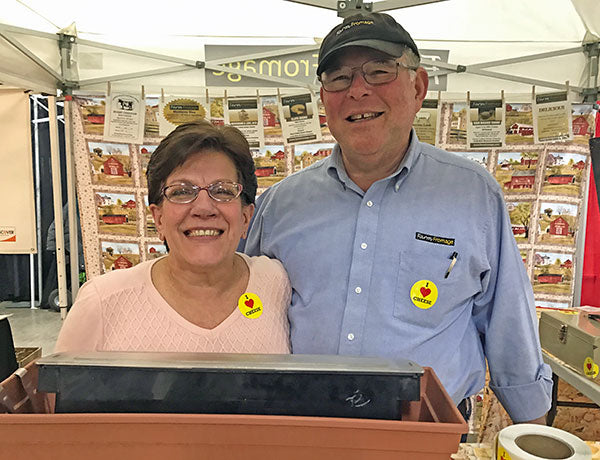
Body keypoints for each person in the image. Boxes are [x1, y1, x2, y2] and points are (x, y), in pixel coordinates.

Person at [241, 12, 552, 423]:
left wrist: (532, 423)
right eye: (339, 78)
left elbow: (506, 316)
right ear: (323, 100)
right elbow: (240, 302)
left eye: (379, 71)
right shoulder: (281, 204)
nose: (358, 91)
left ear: (418, 86)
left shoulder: (471, 193)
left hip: (426, 433)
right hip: (302, 428)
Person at [55, 121, 290, 353]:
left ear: (246, 217)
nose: (204, 208)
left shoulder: (278, 284)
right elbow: (60, 390)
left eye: (222, 191)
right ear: (158, 219)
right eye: (182, 192)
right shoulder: (103, 301)